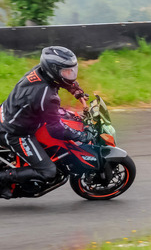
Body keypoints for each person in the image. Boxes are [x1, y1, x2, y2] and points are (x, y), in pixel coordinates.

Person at [0, 46, 92, 199]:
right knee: (48, 172)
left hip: (8, 113)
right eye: (66, 71)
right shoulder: (48, 97)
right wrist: (81, 136)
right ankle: (3, 178)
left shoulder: (40, 71)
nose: (71, 75)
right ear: (54, 70)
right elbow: (56, 130)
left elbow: (61, 80)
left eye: (72, 70)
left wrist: (75, 90)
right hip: (15, 133)